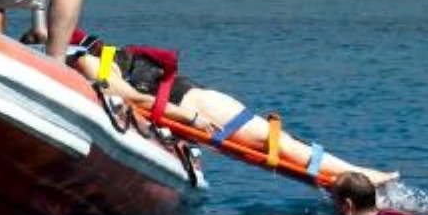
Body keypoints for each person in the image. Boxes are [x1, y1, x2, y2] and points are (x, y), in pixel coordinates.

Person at [66, 29, 400, 187]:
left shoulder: (88, 61)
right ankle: (353, 174)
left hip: (195, 105)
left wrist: (187, 117)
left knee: (277, 145)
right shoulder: (103, 54)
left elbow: (129, 96)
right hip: (193, 99)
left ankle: (358, 176)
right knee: (279, 143)